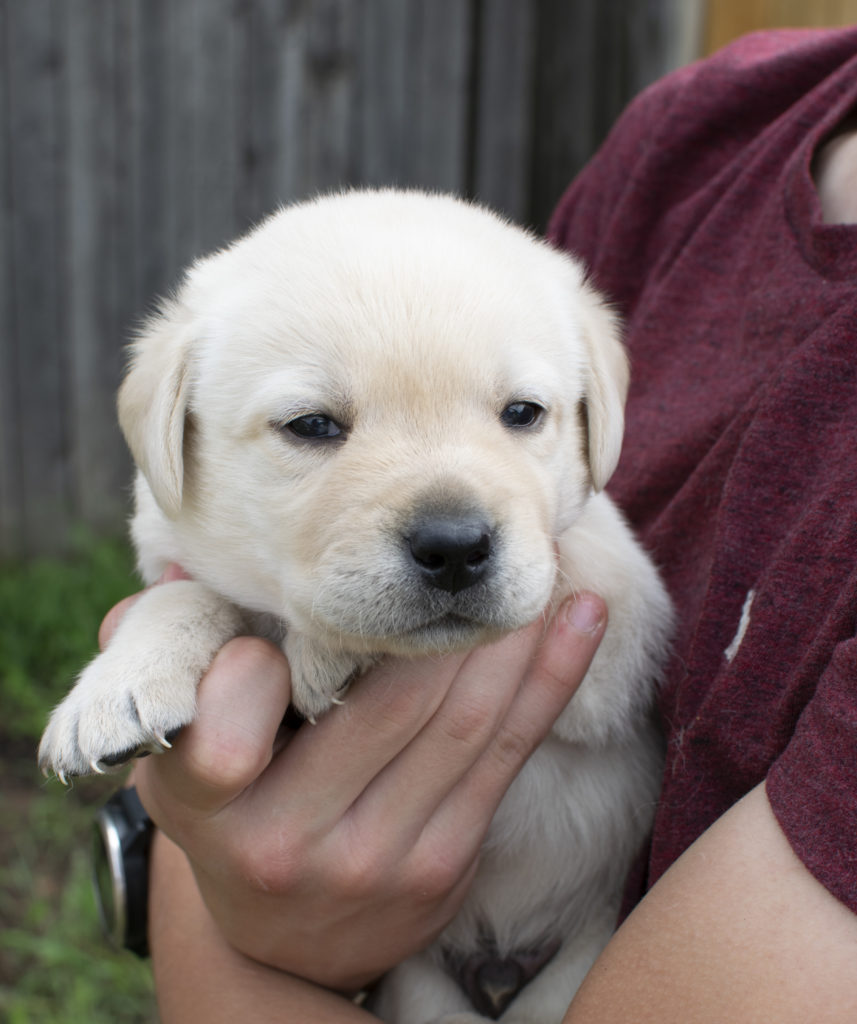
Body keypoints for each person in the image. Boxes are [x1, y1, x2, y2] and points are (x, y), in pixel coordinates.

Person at [104, 26, 857, 1022]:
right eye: (314, 423)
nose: (454, 519)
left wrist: (228, 923)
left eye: (517, 414)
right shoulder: (699, 138)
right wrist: (210, 861)